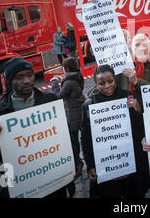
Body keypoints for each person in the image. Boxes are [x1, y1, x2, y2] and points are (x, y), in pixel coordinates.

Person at [0, 57, 68, 198]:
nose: (27, 80)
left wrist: (74, 161)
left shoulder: (50, 101)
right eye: (19, 77)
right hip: (25, 184)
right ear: (9, 81)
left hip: (53, 180)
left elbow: (64, 135)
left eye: (29, 75)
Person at [80, 64, 146, 198]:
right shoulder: (90, 105)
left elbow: (140, 129)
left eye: (110, 81)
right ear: (96, 84)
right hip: (106, 170)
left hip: (130, 165)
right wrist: (91, 164)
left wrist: (138, 110)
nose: (107, 86)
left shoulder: (128, 96)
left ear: (115, 80)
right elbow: (85, 138)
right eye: (101, 83)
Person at [50, 57, 85, 196]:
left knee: (73, 139)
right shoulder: (77, 77)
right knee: (76, 137)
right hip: (78, 111)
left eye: (64, 68)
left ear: (67, 69)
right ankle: (79, 160)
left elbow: (59, 95)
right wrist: (62, 80)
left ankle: (77, 163)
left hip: (72, 114)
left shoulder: (69, 81)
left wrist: (54, 83)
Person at [122, 33, 150, 103]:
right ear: (132, 49)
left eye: (144, 45)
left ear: (149, 48)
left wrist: (136, 81)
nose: (141, 48)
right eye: (137, 45)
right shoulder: (125, 68)